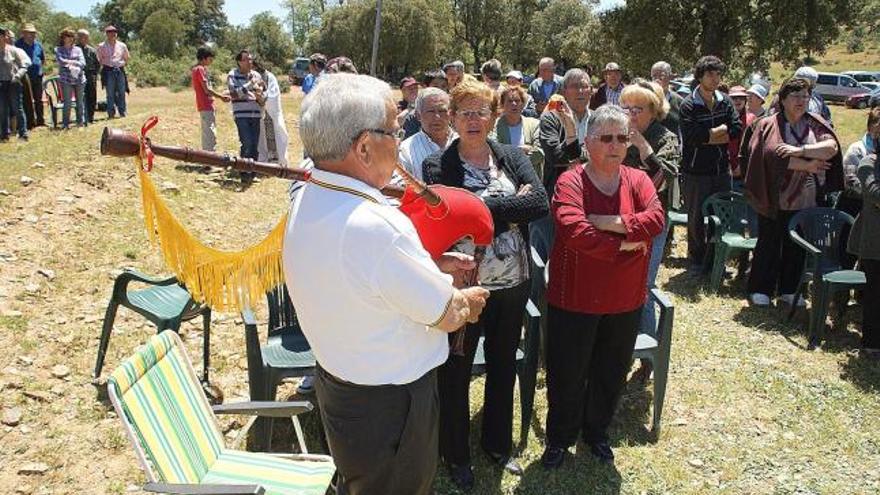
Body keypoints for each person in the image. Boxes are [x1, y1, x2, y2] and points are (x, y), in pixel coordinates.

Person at [286, 72, 488, 495]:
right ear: (363, 146)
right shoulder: (378, 225)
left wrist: (427, 265)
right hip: (392, 405)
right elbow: (447, 315)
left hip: (341, 385)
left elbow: (358, 277)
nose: (400, 143)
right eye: (395, 132)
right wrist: (466, 299)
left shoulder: (308, 191)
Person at [422, 79, 548, 490]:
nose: (474, 119)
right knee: (455, 370)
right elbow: (448, 221)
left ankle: (497, 444)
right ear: (453, 118)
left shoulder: (512, 156)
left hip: (513, 284)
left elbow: (539, 204)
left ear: (494, 116)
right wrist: (504, 211)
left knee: (501, 365)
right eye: (465, 112)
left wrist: (478, 209)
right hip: (464, 287)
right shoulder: (438, 168)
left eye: (482, 111)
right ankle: (455, 454)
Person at [541, 105, 665, 468]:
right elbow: (573, 229)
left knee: (610, 371)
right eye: (606, 137)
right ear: (587, 141)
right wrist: (626, 242)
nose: (615, 145)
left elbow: (656, 219)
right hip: (575, 297)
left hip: (624, 299)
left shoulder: (638, 180)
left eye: (622, 137)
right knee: (567, 372)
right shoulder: (570, 181)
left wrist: (611, 221)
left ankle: (596, 433)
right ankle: (560, 439)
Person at [744, 77, 843, 307]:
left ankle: (789, 289)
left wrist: (800, 150)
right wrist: (807, 164)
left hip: (805, 197)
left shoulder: (814, 122)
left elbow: (831, 148)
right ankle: (760, 288)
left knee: (796, 245)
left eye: (805, 96)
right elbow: (770, 155)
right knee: (769, 242)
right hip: (774, 196)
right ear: (783, 99)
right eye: (796, 96)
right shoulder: (769, 123)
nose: (801, 101)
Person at [620, 80, 680, 347]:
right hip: (618, 220)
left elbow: (663, 179)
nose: (631, 114)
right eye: (627, 108)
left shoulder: (666, 138)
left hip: (651, 223)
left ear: (654, 111)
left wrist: (643, 146)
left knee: (643, 284)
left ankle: (647, 346)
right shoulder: (618, 133)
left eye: (638, 109)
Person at [680, 55, 742, 272]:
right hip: (695, 171)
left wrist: (711, 135)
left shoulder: (725, 100)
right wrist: (716, 133)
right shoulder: (688, 105)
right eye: (710, 74)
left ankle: (716, 260)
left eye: (718, 74)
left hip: (721, 169)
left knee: (722, 216)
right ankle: (697, 260)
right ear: (700, 77)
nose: (715, 79)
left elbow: (735, 129)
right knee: (696, 217)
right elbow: (692, 136)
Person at [535, 68, 592, 261]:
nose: (581, 91)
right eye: (575, 86)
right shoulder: (551, 118)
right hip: (559, 195)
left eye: (585, 86)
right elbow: (555, 157)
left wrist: (577, 155)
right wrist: (586, 153)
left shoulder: (599, 120)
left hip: (593, 195)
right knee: (556, 253)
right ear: (564, 90)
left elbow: (606, 154)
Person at [847, 154, 880, 357]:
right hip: (874, 242)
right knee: (875, 295)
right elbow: (874, 193)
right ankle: (872, 344)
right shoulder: (869, 163)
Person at [397, 87, 454, 181]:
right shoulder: (405, 152)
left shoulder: (464, 142)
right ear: (418, 115)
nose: (437, 117)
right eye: (430, 112)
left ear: (450, 114)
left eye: (442, 111)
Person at [227, 49, 263, 185]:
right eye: (247, 59)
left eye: (251, 59)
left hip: (256, 114)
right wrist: (249, 84)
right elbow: (234, 94)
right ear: (239, 62)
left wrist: (260, 95)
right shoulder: (232, 75)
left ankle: (252, 172)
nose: (250, 62)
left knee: (254, 144)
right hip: (241, 115)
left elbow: (262, 95)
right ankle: (243, 172)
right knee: (247, 143)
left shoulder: (256, 75)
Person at [495, 85, 544, 179]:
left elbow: (539, 153)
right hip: (505, 179)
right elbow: (495, 153)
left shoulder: (535, 124)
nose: (514, 104)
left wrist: (509, 152)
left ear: (523, 104)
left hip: (531, 179)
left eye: (517, 101)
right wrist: (522, 149)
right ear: (502, 104)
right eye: (509, 101)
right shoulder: (494, 126)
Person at [191, 46, 230, 152]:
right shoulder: (200, 69)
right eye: (210, 59)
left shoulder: (197, 69)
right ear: (204, 58)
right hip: (206, 105)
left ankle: (208, 157)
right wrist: (221, 97)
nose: (211, 61)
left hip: (205, 105)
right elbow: (207, 89)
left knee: (208, 132)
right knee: (210, 133)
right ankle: (209, 159)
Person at [254, 61, 289, 167]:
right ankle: (264, 160)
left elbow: (273, 94)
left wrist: (262, 96)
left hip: (271, 112)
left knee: (276, 132)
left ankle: (278, 160)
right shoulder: (252, 76)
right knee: (262, 136)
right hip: (260, 112)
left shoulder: (270, 77)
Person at [0, 26, 31, 142]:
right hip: (1, 84)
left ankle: (23, 134)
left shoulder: (13, 50)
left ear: (4, 37)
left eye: (1, 36)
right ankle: (4, 135)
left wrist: (17, 76)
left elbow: (24, 65)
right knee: (2, 109)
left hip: (13, 83)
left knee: (17, 108)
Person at [55, 28, 86, 129]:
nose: (69, 38)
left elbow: (83, 63)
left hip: (79, 79)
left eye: (71, 36)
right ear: (62, 38)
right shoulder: (58, 49)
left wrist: (70, 62)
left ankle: (80, 123)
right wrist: (74, 62)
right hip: (66, 79)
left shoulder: (78, 49)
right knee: (67, 103)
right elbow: (61, 62)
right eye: (66, 36)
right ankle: (65, 124)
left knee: (79, 102)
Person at [97, 25, 129, 119]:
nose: (113, 34)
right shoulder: (101, 46)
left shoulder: (122, 45)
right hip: (108, 70)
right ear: (106, 34)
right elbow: (99, 59)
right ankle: (111, 113)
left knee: (121, 92)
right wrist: (108, 63)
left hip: (119, 70)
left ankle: (122, 112)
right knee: (110, 93)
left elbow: (127, 57)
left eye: (114, 32)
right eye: (110, 32)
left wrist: (121, 63)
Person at [15, 23, 44, 127]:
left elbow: (42, 58)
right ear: (23, 33)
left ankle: (40, 120)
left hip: (38, 75)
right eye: (29, 33)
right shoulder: (17, 45)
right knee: (27, 99)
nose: (32, 35)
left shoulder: (38, 45)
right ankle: (30, 122)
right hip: (25, 76)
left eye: (33, 33)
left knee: (38, 99)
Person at [651, 61, 683, 139]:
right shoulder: (646, 100)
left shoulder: (680, 101)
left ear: (669, 77)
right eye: (654, 76)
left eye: (661, 76)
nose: (657, 80)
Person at [76, 29, 99, 124]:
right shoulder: (74, 49)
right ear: (78, 38)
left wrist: (94, 74)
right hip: (78, 75)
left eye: (86, 37)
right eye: (83, 37)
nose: (85, 39)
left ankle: (90, 117)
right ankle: (81, 118)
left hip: (90, 75)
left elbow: (97, 64)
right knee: (80, 98)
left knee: (92, 97)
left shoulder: (91, 50)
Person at [728, 85, 749, 181]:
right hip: (725, 170)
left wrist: (742, 165)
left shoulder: (752, 119)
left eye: (741, 98)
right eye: (734, 98)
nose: (738, 100)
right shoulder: (722, 118)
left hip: (746, 171)